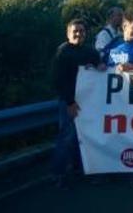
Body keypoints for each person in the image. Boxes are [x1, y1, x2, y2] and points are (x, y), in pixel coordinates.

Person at [52, 19, 103, 188]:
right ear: (68, 33)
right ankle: (59, 174)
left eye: (82, 31)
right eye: (75, 31)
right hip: (69, 102)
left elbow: (100, 65)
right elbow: (59, 80)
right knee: (66, 137)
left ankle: (80, 170)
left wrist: (101, 66)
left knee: (85, 138)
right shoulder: (63, 51)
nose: (79, 34)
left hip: (88, 103)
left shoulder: (90, 51)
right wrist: (70, 102)